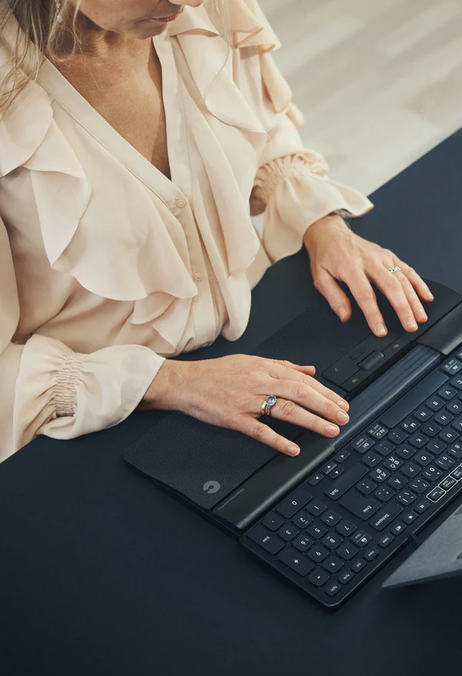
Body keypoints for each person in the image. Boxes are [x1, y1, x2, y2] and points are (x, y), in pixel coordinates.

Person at [0, 0, 434, 464]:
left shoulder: (202, 11)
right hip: (97, 425)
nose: (192, 2)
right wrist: (173, 383)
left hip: (258, 346)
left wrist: (322, 223)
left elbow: (261, 130)